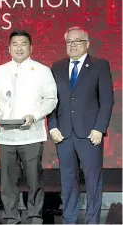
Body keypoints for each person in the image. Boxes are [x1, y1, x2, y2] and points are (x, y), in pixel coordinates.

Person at [0, 30, 58, 224]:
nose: (19, 48)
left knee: (34, 179)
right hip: (6, 135)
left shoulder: (42, 70)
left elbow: (51, 99)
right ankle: (11, 216)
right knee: (8, 181)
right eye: (15, 44)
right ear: (9, 48)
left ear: (31, 47)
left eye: (23, 44)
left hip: (32, 135)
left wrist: (34, 116)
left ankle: (35, 215)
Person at [47, 26, 114, 224]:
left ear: (87, 44)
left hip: (90, 133)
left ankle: (92, 220)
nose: (73, 45)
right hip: (64, 134)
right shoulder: (57, 66)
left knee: (93, 180)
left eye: (77, 41)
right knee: (68, 181)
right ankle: (69, 219)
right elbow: (51, 100)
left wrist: (99, 128)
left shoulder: (100, 65)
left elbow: (107, 99)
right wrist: (52, 126)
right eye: (69, 42)